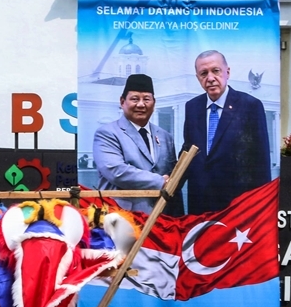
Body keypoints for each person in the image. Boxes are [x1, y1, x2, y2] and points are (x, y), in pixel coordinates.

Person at [182, 50, 271, 214]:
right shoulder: (192, 107)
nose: (210, 78)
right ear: (198, 78)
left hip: (237, 208)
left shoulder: (250, 106)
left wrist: (261, 208)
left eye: (215, 71)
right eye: (203, 73)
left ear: (227, 72)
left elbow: (261, 161)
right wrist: (170, 181)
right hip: (199, 207)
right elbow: (188, 150)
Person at [92, 73, 182, 215]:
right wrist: (160, 181)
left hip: (163, 220)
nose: (141, 104)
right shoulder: (107, 133)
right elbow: (116, 171)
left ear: (154, 103)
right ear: (122, 102)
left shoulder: (165, 136)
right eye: (134, 99)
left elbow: (172, 179)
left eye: (146, 99)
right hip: (122, 220)